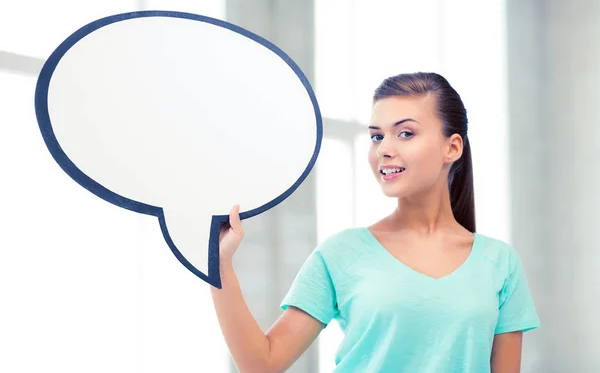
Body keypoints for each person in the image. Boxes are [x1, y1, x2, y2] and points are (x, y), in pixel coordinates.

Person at [211, 72, 540, 373]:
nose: (384, 149)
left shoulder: (500, 263)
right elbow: (261, 364)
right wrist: (220, 263)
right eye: (377, 137)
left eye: (406, 133)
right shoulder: (342, 253)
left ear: (451, 147)